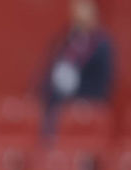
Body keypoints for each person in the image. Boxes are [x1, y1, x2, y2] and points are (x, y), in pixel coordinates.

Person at [38, 0, 115, 136]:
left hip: (87, 107)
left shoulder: (102, 44)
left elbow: (104, 81)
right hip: (59, 106)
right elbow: (49, 70)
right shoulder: (65, 39)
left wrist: (83, 101)